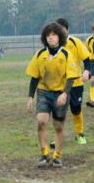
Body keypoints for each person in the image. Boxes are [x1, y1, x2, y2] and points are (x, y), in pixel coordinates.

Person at [26, 22, 80, 167]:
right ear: (45, 38)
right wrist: (30, 97)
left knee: (58, 126)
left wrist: (65, 94)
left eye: (54, 35)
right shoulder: (40, 54)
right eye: (48, 35)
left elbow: (71, 77)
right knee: (41, 122)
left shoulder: (66, 54)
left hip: (60, 94)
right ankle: (44, 153)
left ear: (59, 37)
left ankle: (57, 155)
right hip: (43, 92)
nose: (51, 38)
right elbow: (34, 77)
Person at [56, 18, 91, 145]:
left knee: (76, 109)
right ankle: (58, 137)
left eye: (62, 29)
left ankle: (80, 134)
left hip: (76, 83)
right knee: (59, 111)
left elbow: (87, 59)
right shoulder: (53, 45)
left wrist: (87, 71)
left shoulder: (75, 42)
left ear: (67, 30)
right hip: (59, 85)